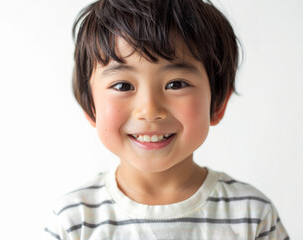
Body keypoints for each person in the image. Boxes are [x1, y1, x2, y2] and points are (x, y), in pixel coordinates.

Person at [43, 0, 289, 239]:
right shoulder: (74, 220)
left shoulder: (252, 215)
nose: (149, 110)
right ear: (91, 107)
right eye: (122, 85)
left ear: (217, 103)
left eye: (176, 84)